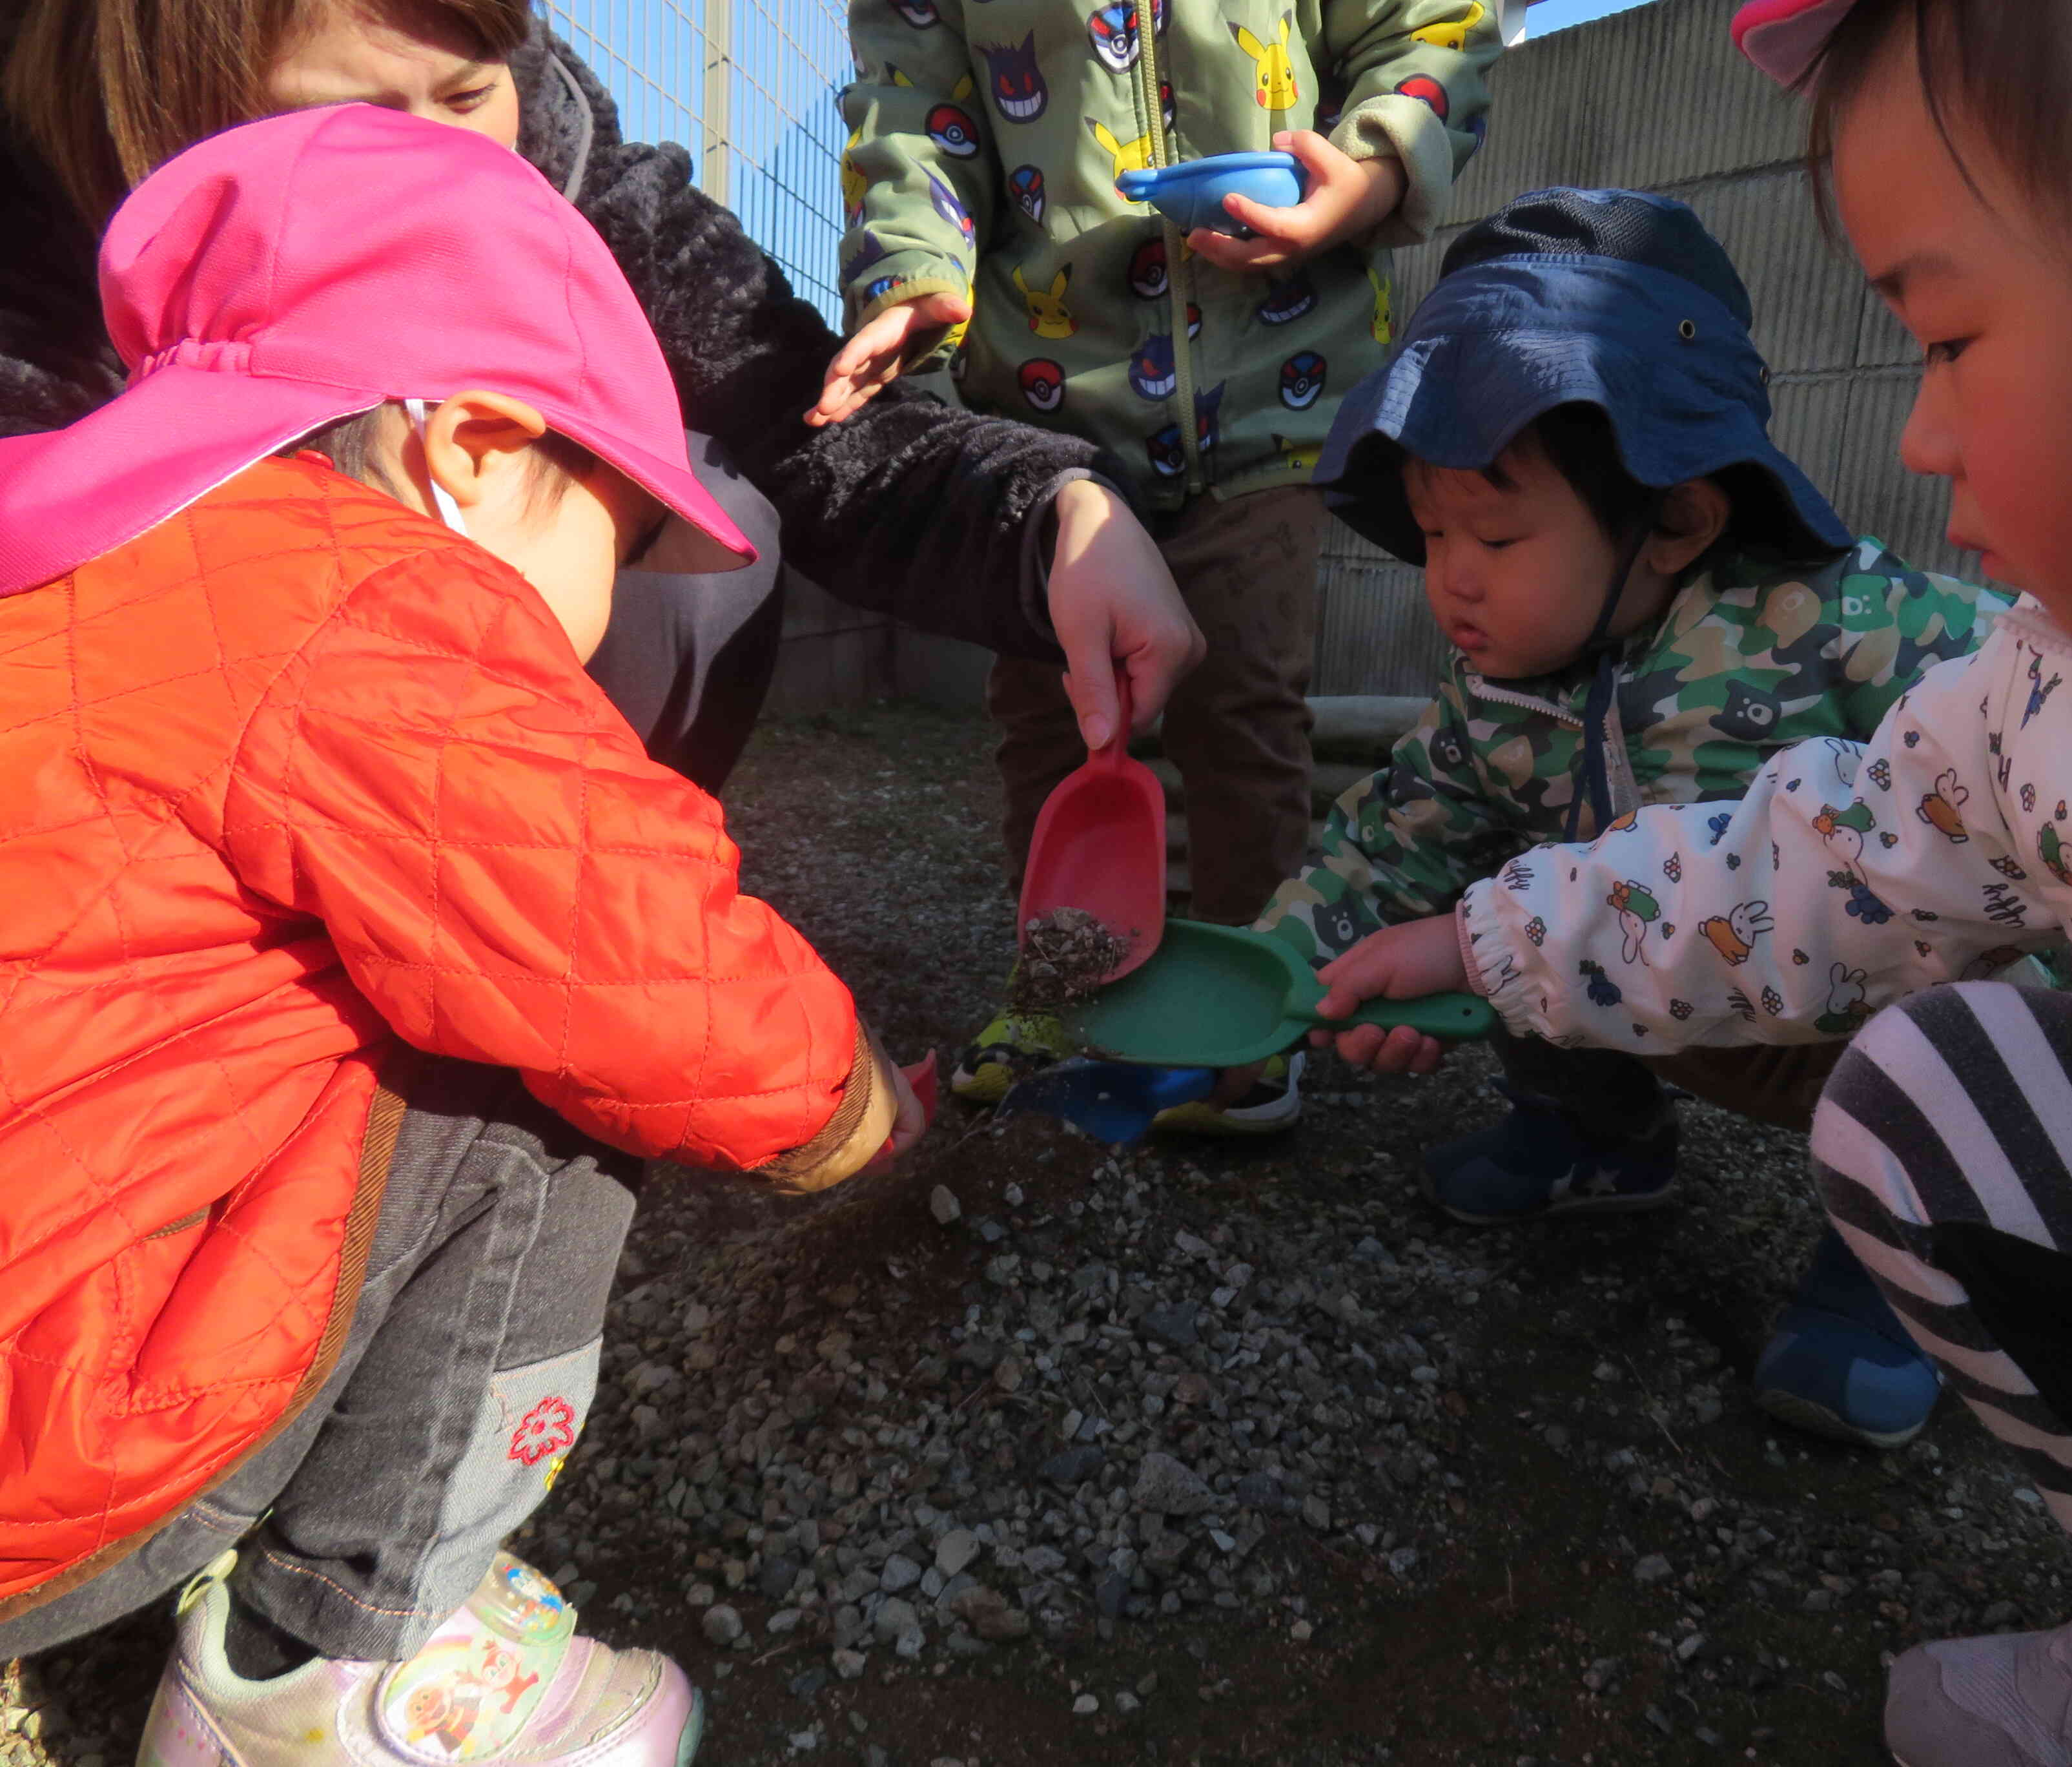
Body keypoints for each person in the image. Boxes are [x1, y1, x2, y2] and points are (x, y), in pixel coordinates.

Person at [1302, 0, 2072, 1758]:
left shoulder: (1850, 625)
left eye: (1945, 341)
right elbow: (1781, 859)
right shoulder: (2050, 690)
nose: (1919, 437)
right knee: (1907, 1074)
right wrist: (1457, 940)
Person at [0, 105, 927, 1761]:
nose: (615, 606)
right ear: (480, 447)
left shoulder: (80, 556)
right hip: (40, 1459)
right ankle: (346, 1654)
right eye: (623, 542)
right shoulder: (359, 597)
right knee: (528, 1069)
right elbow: (649, 967)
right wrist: (860, 1113)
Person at [1246, 185, 2007, 1447]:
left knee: (1974, 992)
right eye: (1430, 534)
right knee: (1514, 876)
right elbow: (1393, 837)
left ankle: (1909, 1266)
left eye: (1494, 531)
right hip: (1649, 987)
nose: (1453, 578)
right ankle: (1594, 1134)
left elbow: (2041, 734)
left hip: (1855, 1021)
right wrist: (1276, 973)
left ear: (1681, 518)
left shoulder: (1857, 634)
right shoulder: (1500, 693)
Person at [0, 0, 1204, 795]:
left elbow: (792, 402)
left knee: (708, 540)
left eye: (472, 98)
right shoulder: (33, 242)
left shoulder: (562, 163)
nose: (453, 168)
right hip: (132, 746)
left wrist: (1051, 516)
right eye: (356, 120)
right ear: (151, 100)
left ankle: (560, 919)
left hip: (448, 757)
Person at [817, 0, 1501, 1115]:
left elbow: (1425, 28)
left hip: (1275, 389)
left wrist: (1370, 171)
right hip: (1044, 413)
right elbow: (912, 108)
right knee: (1050, 714)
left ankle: (1253, 1004)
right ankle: (1058, 991)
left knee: (1244, 709)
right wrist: (911, 270)